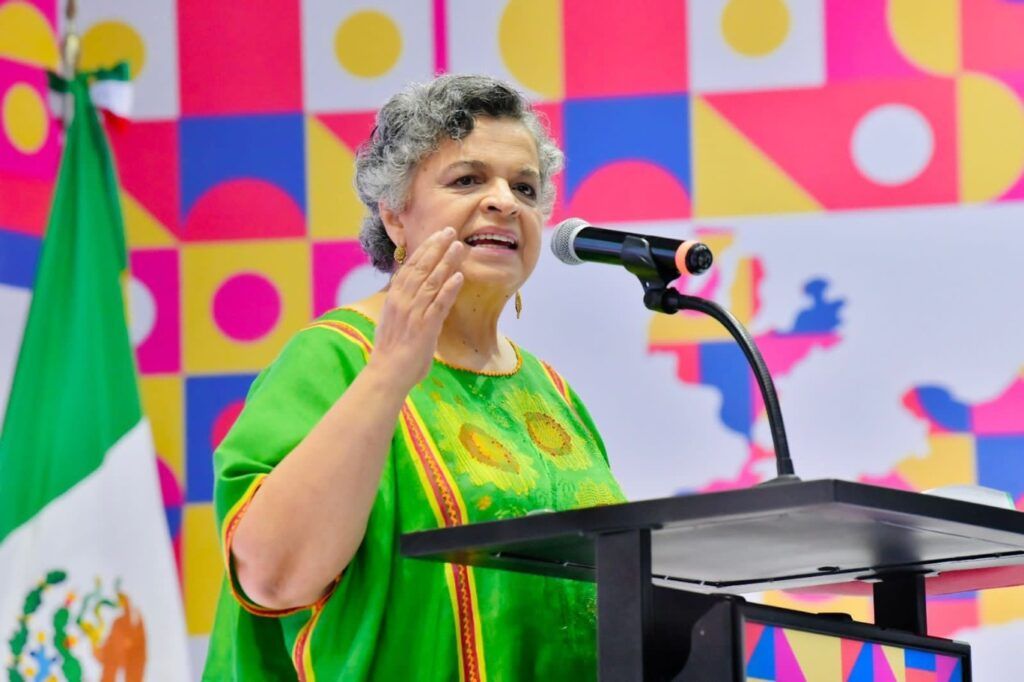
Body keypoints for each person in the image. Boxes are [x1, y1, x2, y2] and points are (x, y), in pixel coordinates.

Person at [203, 74, 626, 680]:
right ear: (395, 216)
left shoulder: (550, 389)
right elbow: (271, 579)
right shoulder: (335, 358)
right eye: (468, 179)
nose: (505, 202)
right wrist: (390, 374)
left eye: (525, 187)